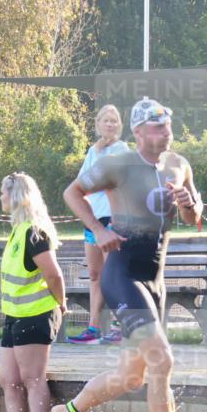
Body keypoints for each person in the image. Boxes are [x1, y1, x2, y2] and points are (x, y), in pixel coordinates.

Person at [53, 99, 203, 412]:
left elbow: (193, 215)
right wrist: (99, 230)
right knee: (162, 359)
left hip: (155, 281)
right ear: (137, 133)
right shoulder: (118, 164)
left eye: (167, 123)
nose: (165, 131)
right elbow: (72, 193)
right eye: (156, 126)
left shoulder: (178, 165)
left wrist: (190, 204)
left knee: (130, 377)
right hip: (121, 274)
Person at [0, 173, 67, 412]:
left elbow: (54, 275)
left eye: (3, 192)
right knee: (9, 380)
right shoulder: (17, 230)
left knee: (32, 378)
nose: (0, 197)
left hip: (35, 314)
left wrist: (61, 304)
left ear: (15, 195)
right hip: (14, 315)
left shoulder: (35, 233)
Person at [68, 105, 128, 345]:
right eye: (106, 121)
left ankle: (120, 324)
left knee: (113, 275)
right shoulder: (93, 151)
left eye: (114, 121)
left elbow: (112, 181)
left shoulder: (122, 150)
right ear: (98, 124)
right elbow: (81, 184)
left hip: (112, 220)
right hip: (92, 220)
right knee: (95, 275)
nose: (110, 124)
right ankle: (93, 327)